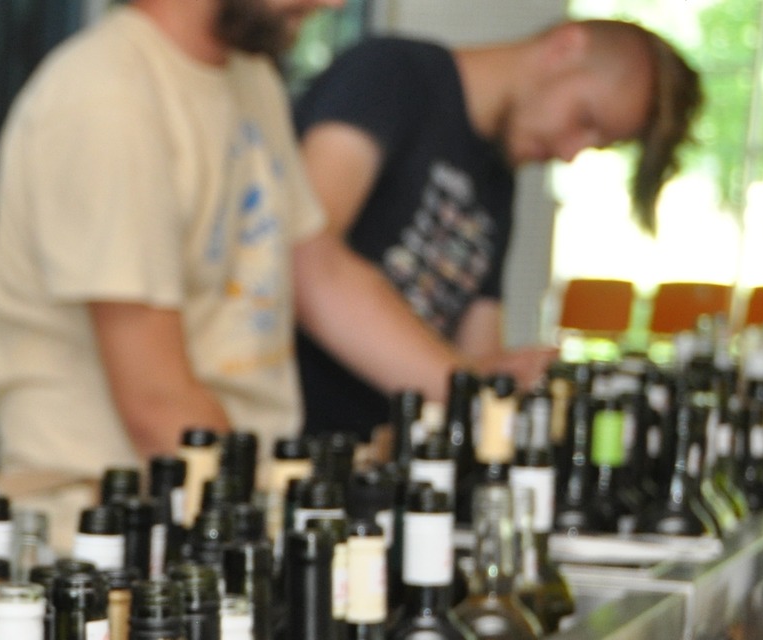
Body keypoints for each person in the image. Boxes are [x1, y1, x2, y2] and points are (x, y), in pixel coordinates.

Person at [0, 0, 499, 540]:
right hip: (104, 534)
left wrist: (481, 401)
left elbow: (320, 274)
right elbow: (157, 406)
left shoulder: (249, 80)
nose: (335, 3)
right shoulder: (107, 97)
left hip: (221, 507)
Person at [295, 20, 703, 437]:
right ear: (564, 48)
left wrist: (508, 376)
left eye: (596, 145)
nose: (569, 153)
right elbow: (307, 262)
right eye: (584, 119)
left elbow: (477, 355)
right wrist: (473, 391)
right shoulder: (390, 73)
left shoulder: (498, 182)